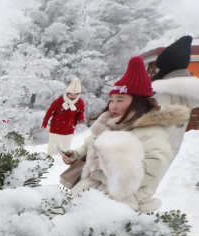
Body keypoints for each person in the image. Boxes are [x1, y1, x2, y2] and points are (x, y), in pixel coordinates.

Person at [61, 56, 190, 212]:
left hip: (119, 206)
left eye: (120, 100)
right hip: (89, 196)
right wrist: (74, 154)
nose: (113, 106)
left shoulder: (153, 132)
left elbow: (151, 171)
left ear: (138, 102)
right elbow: (89, 145)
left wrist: (98, 174)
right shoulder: (108, 125)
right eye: (112, 100)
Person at [151, 36, 199, 160]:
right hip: (168, 150)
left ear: (163, 67)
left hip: (150, 151)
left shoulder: (163, 93)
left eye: (158, 66)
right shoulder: (185, 92)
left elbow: (149, 123)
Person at [42, 78, 85, 156]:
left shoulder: (80, 102)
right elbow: (49, 111)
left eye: (75, 94)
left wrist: (81, 119)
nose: (72, 96)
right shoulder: (59, 101)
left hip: (68, 130)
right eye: (70, 94)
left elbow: (80, 112)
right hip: (55, 129)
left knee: (64, 152)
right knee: (51, 152)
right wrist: (44, 122)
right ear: (67, 93)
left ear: (78, 94)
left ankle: (61, 166)